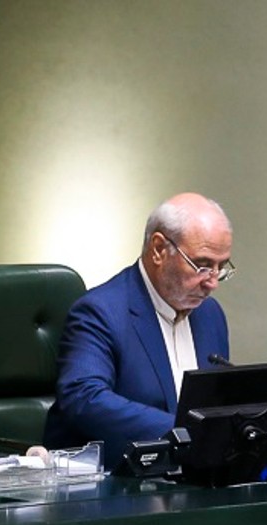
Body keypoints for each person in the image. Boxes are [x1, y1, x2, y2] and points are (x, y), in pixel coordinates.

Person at [42, 193, 233, 465]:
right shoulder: (101, 312)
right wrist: (185, 431)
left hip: (193, 477)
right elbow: (84, 397)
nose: (212, 282)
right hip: (115, 480)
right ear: (159, 249)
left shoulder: (210, 315)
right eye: (202, 266)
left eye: (220, 268)